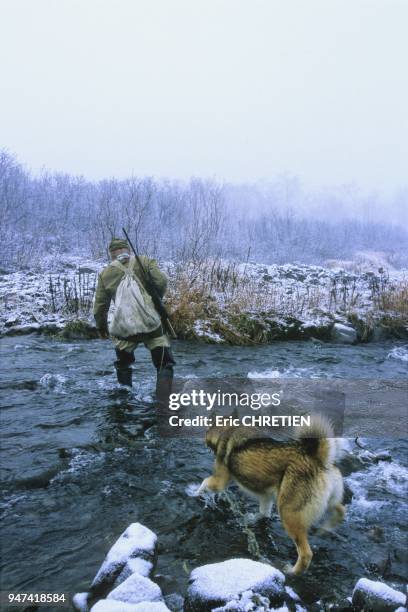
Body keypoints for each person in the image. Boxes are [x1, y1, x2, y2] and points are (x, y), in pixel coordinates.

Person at [93, 238, 175, 397]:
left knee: (123, 365)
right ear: (127, 250)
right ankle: (163, 398)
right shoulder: (144, 261)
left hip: (124, 327)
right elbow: (162, 281)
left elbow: (100, 307)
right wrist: (157, 299)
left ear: (111, 254)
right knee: (164, 364)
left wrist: (101, 328)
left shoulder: (105, 274)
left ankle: (124, 398)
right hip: (151, 323)